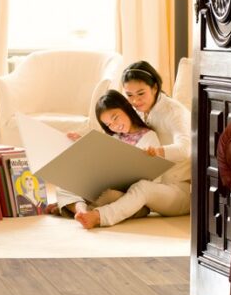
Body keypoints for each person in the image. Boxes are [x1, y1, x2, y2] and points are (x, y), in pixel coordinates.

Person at [73, 60, 191, 229]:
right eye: (129, 95)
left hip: (179, 191)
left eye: (141, 93)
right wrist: (84, 141)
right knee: (83, 178)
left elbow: (186, 149)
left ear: (155, 87)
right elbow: (114, 132)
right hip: (147, 184)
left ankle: (98, 217)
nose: (135, 101)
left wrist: (157, 151)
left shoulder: (175, 112)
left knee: (142, 188)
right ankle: (73, 206)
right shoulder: (139, 111)